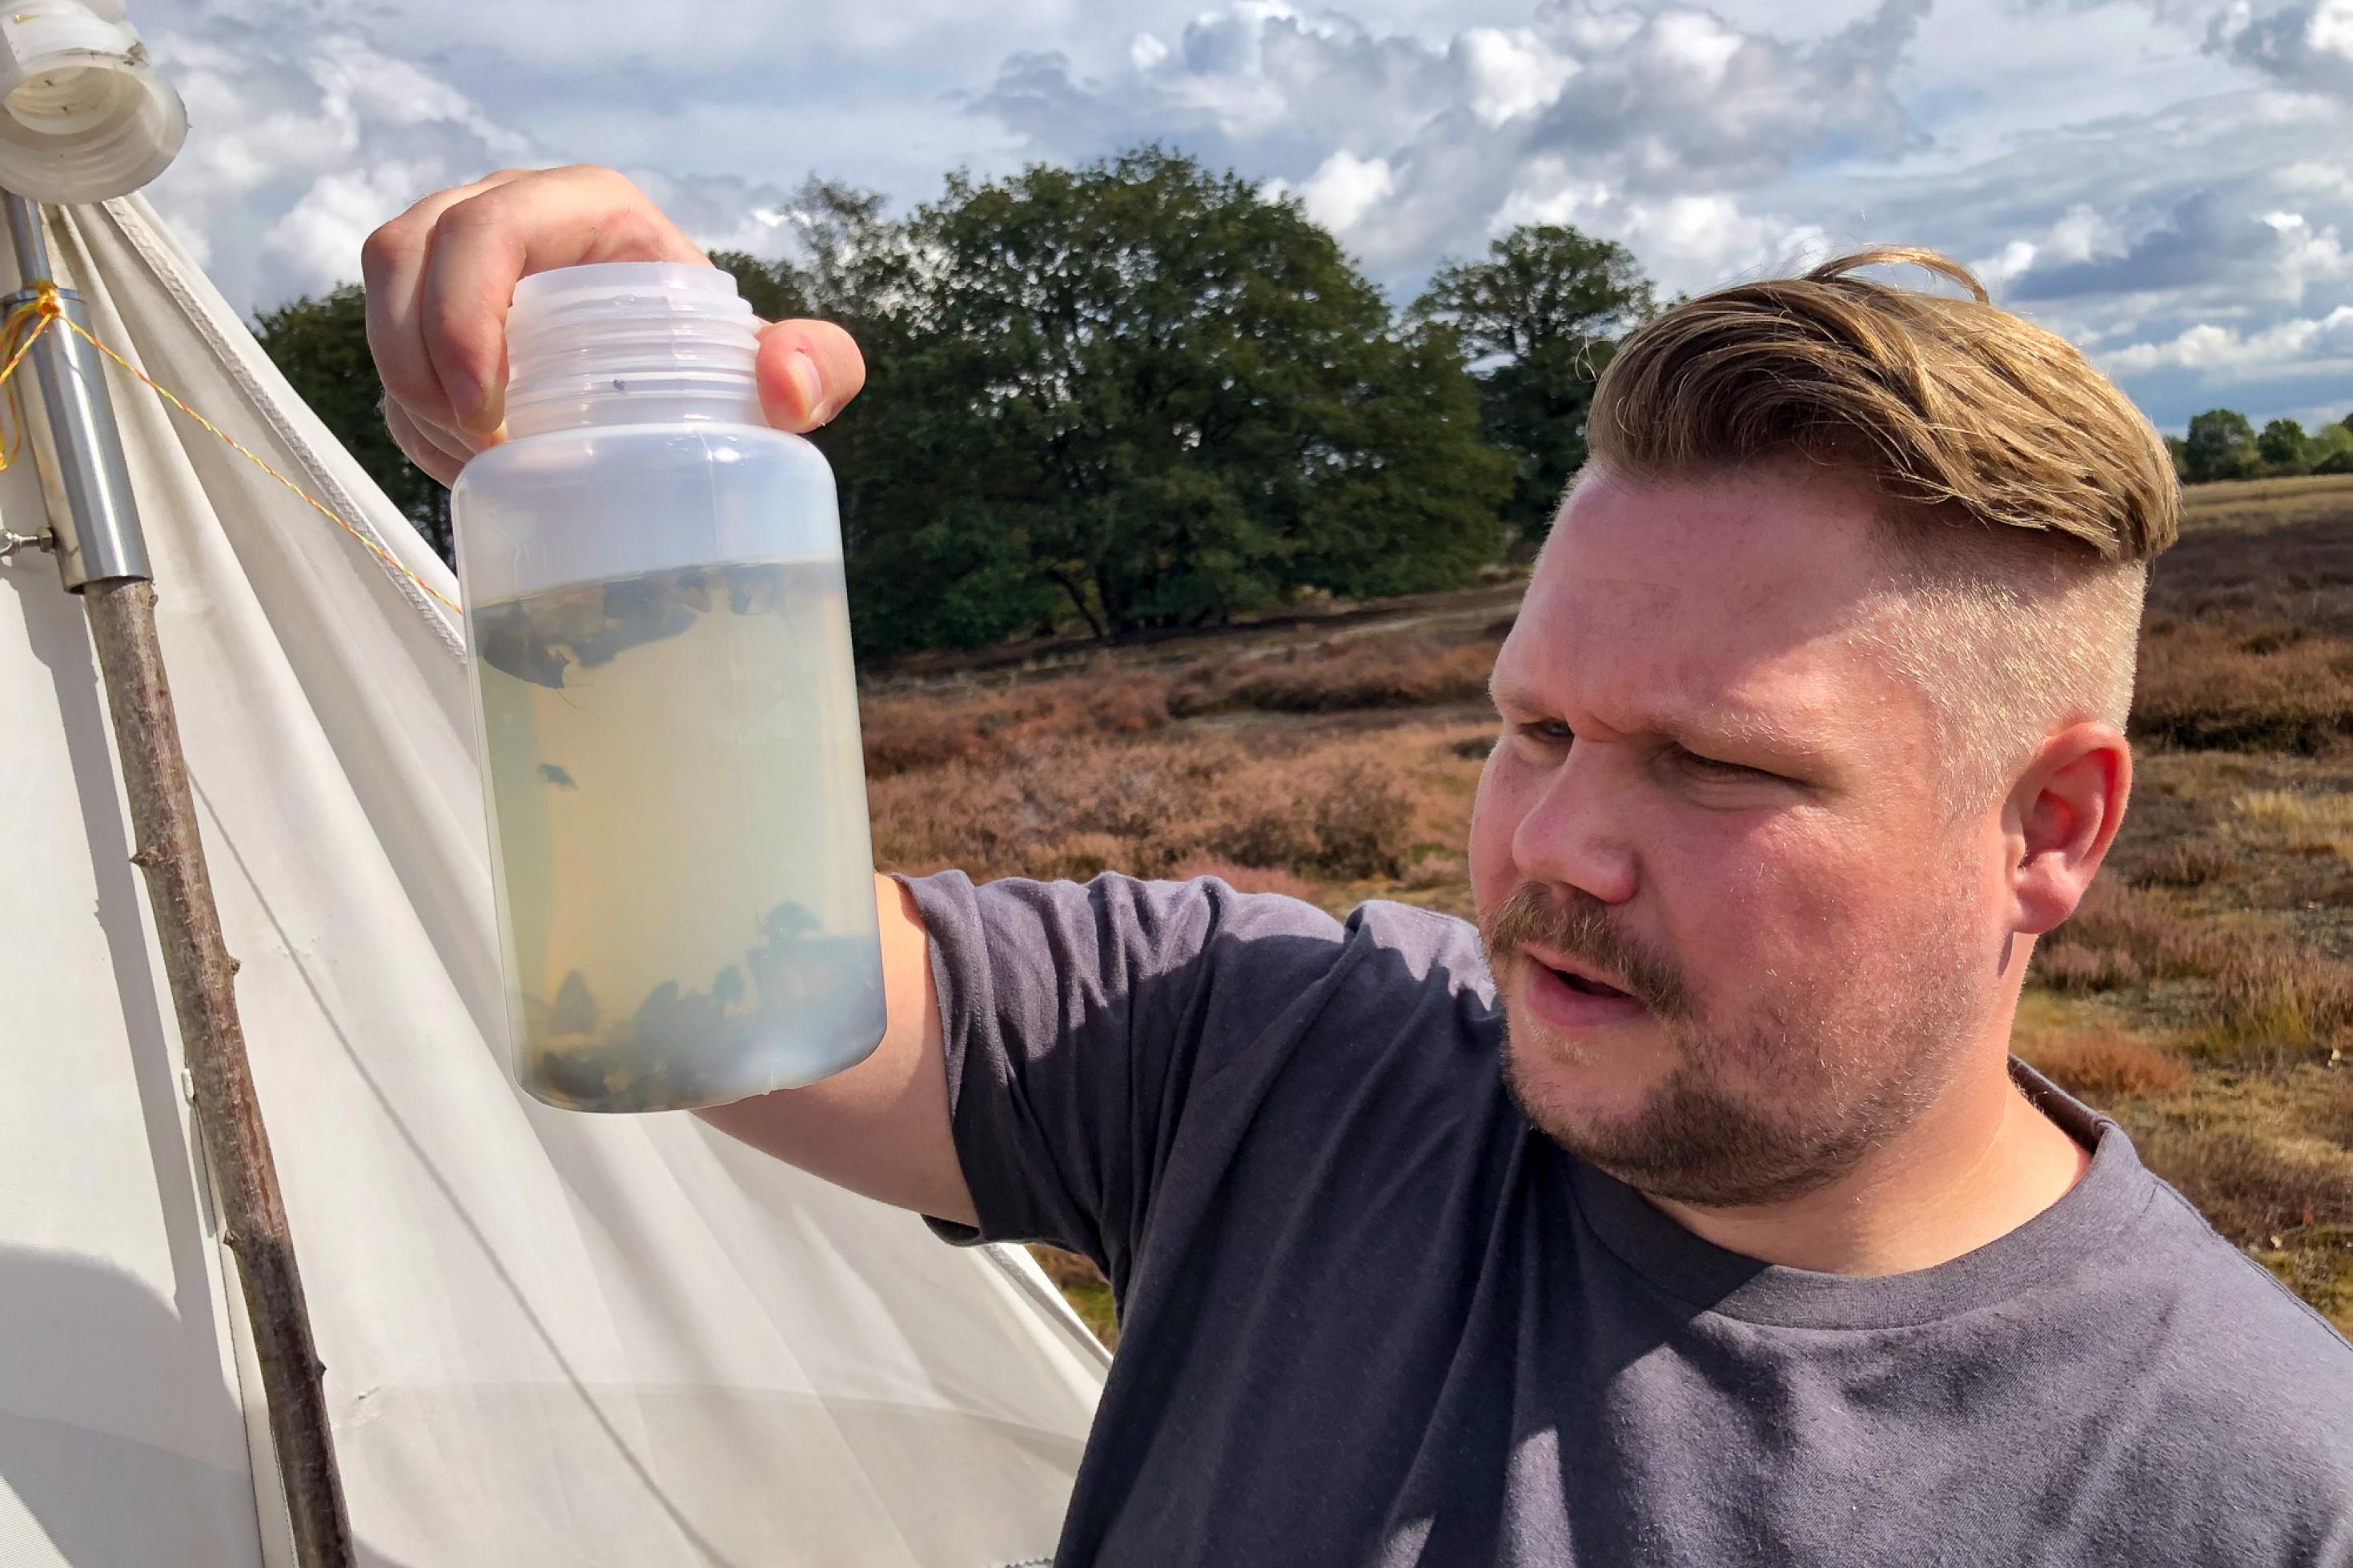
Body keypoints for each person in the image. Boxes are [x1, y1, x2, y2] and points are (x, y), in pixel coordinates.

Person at [365, 165, 2353, 1566]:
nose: (1554, 844)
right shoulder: (1277, 1059)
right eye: (1534, 724)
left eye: (1718, 763)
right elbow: (719, 991)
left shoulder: (2257, 1492)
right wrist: (630, 444)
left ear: (2052, 829)